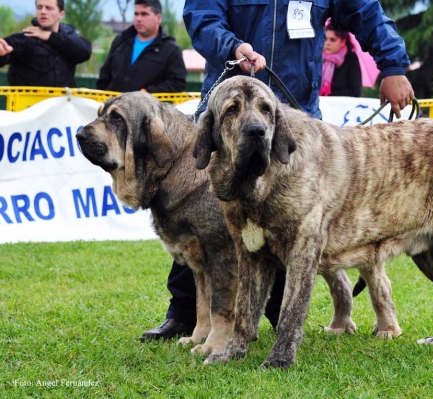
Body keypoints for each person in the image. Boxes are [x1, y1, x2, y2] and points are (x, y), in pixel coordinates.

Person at [140, 0, 415, 342]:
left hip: (293, 118)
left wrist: (393, 67)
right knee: (204, 219)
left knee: (291, 226)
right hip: (228, 112)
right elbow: (202, 17)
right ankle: (185, 314)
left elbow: (366, 13)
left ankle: (270, 317)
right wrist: (233, 47)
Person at [96, 0, 187, 93]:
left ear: (158, 18)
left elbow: (177, 84)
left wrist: (148, 92)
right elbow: (104, 77)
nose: (138, 18)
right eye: (136, 14)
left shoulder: (171, 50)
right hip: (116, 105)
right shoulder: (120, 41)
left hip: (150, 107)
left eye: (144, 14)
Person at [0, 0, 92, 87]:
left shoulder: (69, 37)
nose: (43, 12)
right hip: (29, 102)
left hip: (63, 102)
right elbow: (6, 48)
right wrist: (2, 54)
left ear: (61, 14)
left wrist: (50, 36)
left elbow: (85, 51)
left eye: (49, 8)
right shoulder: (27, 37)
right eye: (39, 7)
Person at [320, 24, 362, 97]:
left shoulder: (350, 58)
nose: (327, 43)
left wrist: (327, 97)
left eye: (332, 40)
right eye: (325, 39)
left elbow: (355, 91)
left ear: (342, 42)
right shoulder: (317, 57)